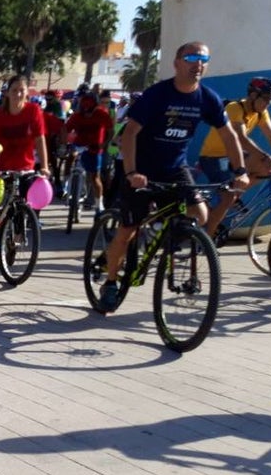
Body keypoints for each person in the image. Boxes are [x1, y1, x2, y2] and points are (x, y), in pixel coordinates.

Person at [99, 41, 250, 312]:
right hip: (141, 168)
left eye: (204, 58)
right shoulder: (158, 95)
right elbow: (130, 133)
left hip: (175, 168)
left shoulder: (207, 98)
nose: (198, 63)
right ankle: (110, 282)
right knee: (128, 231)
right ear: (177, 63)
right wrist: (132, 172)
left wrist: (240, 172)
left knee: (201, 215)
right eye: (191, 57)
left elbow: (229, 136)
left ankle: (169, 234)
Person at [198, 76, 271, 237]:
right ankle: (206, 237)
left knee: (268, 169)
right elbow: (241, 138)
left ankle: (233, 195)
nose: (268, 103)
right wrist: (265, 156)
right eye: (265, 98)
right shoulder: (235, 108)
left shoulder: (261, 113)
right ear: (252, 95)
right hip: (212, 158)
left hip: (234, 155)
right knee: (228, 198)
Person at [0, 73, 49, 240]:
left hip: (25, 167)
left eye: (22, 90)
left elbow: (40, 139)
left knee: (27, 200)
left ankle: (19, 232)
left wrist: (45, 166)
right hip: (0, 168)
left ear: (27, 92)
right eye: (14, 90)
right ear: (7, 93)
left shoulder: (33, 111)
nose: (18, 94)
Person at [65, 89, 115, 215]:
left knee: (95, 177)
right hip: (79, 145)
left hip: (95, 148)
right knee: (71, 157)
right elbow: (66, 129)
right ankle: (67, 184)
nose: (86, 108)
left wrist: (104, 144)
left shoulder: (102, 114)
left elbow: (110, 131)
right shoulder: (76, 116)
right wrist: (63, 141)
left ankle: (99, 204)